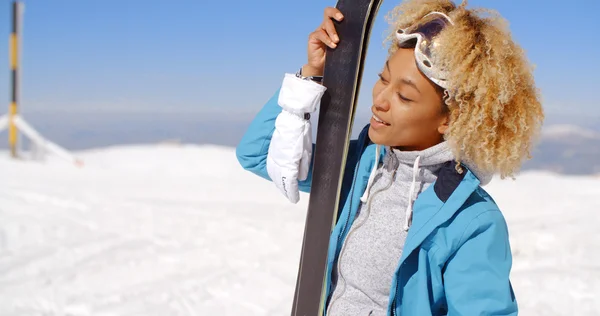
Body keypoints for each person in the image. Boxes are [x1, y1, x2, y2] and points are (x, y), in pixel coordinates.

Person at [236, 0, 544, 315]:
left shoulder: (471, 222)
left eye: (405, 96)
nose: (380, 100)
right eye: (383, 79)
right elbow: (258, 154)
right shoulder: (357, 168)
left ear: (451, 119)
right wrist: (313, 72)